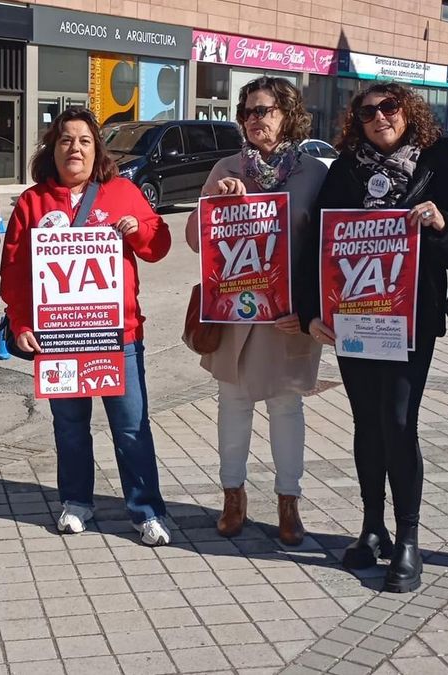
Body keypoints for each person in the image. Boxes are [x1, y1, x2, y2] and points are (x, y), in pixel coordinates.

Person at [298, 82, 448, 592]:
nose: (379, 117)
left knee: (398, 422)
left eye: (389, 107)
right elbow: (317, 243)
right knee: (365, 424)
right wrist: (311, 312)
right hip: (354, 318)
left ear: (407, 111)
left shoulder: (439, 161)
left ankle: (408, 539)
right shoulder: (346, 167)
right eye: (368, 111)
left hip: (410, 319)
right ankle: (371, 526)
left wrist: (442, 224)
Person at [0, 107, 173, 546]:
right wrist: (19, 321)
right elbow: (15, 269)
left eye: (83, 140)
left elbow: (159, 245)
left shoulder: (122, 192)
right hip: (60, 338)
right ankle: (76, 500)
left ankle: (146, 508)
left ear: (97, 150)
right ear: (52, 149)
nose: (74, 148)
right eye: (64, 140)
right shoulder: (32, 202)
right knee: (70, 426)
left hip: (119, 335)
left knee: (131, 426)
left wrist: (138, 230)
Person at [183, 77, 327, 546]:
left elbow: (327, 247)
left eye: (264, 111)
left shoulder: (312, 173)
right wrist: (213, 203)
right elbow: (193, 238)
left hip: (287, 317)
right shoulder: (227, 167)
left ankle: (289, 501)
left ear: (287, 113)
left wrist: (309, 309)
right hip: (234, 315)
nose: (254, 120)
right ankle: (233, 496)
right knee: (233, 404)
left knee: (286, 408)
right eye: (247, 112)